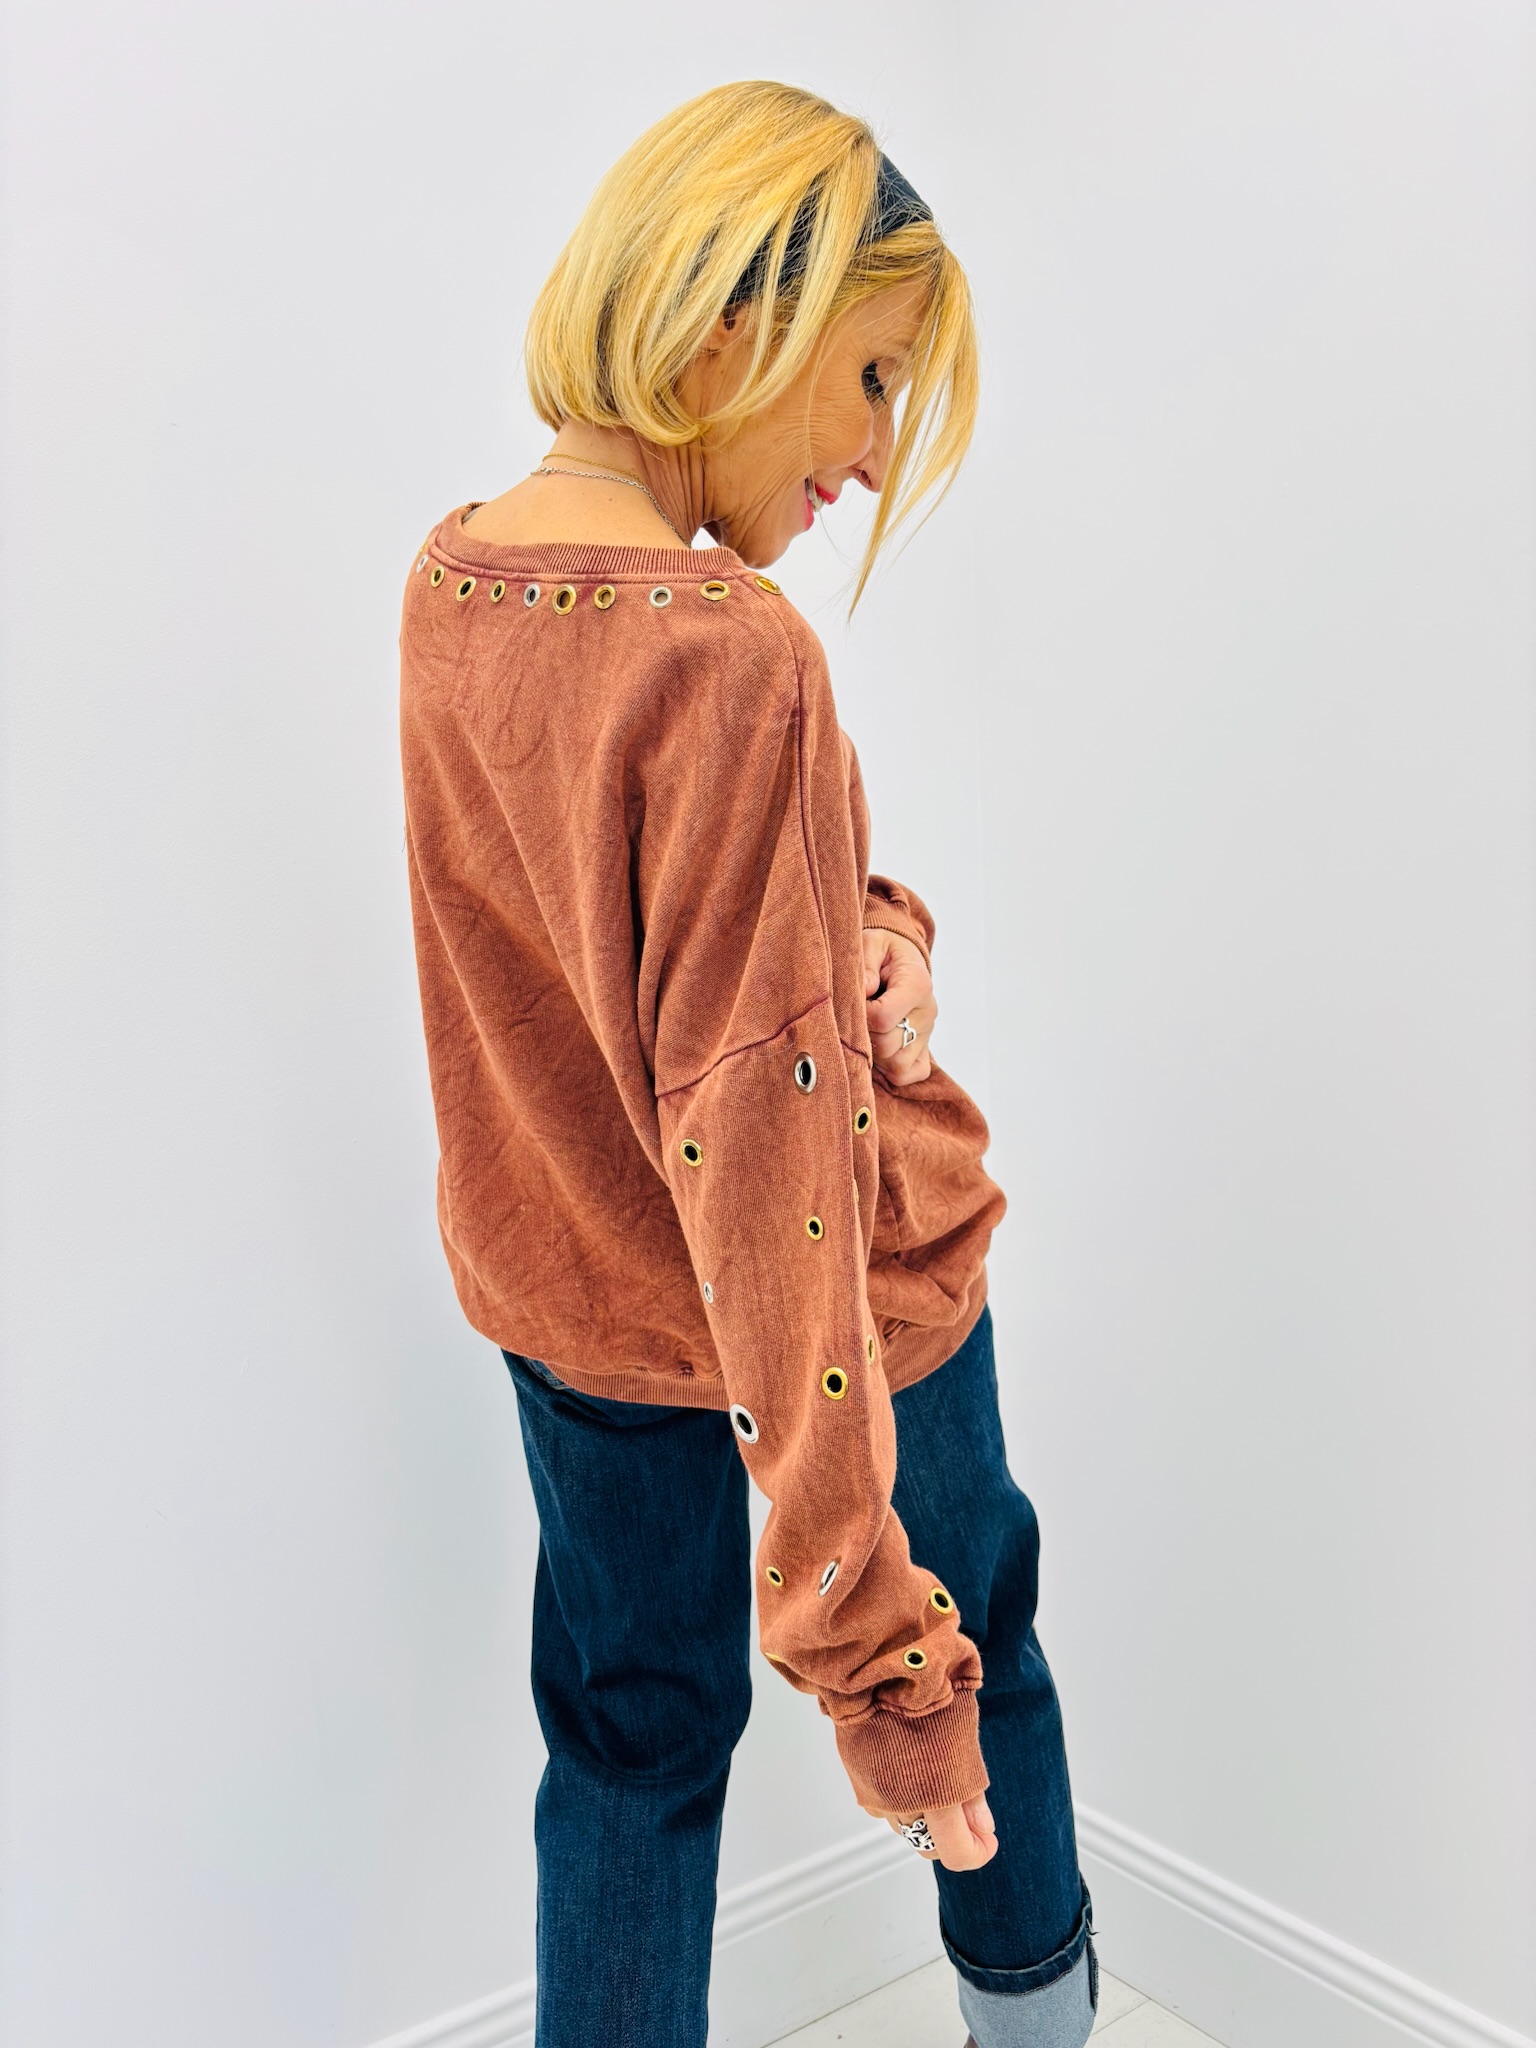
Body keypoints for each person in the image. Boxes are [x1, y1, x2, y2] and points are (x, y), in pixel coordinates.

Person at [399, 79, 1094, 2048]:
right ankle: (1040, 2020)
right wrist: (881, 1664)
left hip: (580, 1303)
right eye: (869, 381)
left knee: (626, 1743)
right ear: (732, 324)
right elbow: (765, 1151)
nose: (871, 458)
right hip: (851, 1293)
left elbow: (625, 934)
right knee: (978, 1652)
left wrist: (877, 931)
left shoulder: (455, 582)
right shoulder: (729, 647)